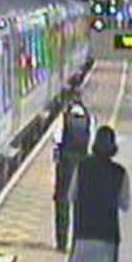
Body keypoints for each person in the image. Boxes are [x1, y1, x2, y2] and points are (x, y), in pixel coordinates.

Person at [65, 126, 131, 262]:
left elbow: (71, 195)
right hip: (107, 236)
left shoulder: (81, 168)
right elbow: (125, 204)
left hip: (84, 233)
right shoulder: (120, 173)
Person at [52, 93, 95, 252]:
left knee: (62, 202)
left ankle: (61, 241)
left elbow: (56, 139)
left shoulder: (63, 118)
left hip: (66, 164)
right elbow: (91, 144)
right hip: (83, 165)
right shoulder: (89, 119)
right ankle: (78, 241)